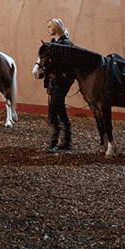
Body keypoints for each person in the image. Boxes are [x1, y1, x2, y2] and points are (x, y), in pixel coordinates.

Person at [44, 18, 76, 153]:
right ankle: (66, 142)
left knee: (53, 109)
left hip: (62, 81)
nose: (48, 29)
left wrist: (55, 75)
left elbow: (68, 67)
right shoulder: (54, 44)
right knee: (60, 108)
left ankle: (53, 144)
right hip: (55, 82)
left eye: (50, 26)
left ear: (56, 28)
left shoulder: (66, 44)